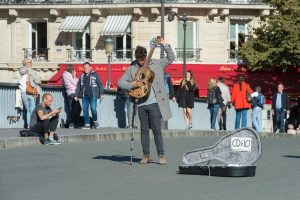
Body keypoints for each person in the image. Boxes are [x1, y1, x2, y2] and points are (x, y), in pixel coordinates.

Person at [118, 38, 175, 165]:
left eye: (142, 59)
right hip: (140, 103)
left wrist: (164, 44)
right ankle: (146, 156)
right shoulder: (132, 68)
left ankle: (161, 155)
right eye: (138, 60)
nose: (141, 62)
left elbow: (171, 58)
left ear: (145, 56)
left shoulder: (156, 63)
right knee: (144, 130)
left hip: (155, 102)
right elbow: (120, 82)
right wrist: (132, 84)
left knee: (156, 130)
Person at [74, 62, 104, 129]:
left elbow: (100, 84)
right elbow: (78, 86)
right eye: (84, 68)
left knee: (93, 109)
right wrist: (76, 95)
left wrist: (101, 93)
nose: (85, 69)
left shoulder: (95, 74)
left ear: (90, 68)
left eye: (87, 68)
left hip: (93, 95)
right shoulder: (82, 76)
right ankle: (87, 124)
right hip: (85, 95)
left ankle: (95, 121)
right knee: (85, 110)